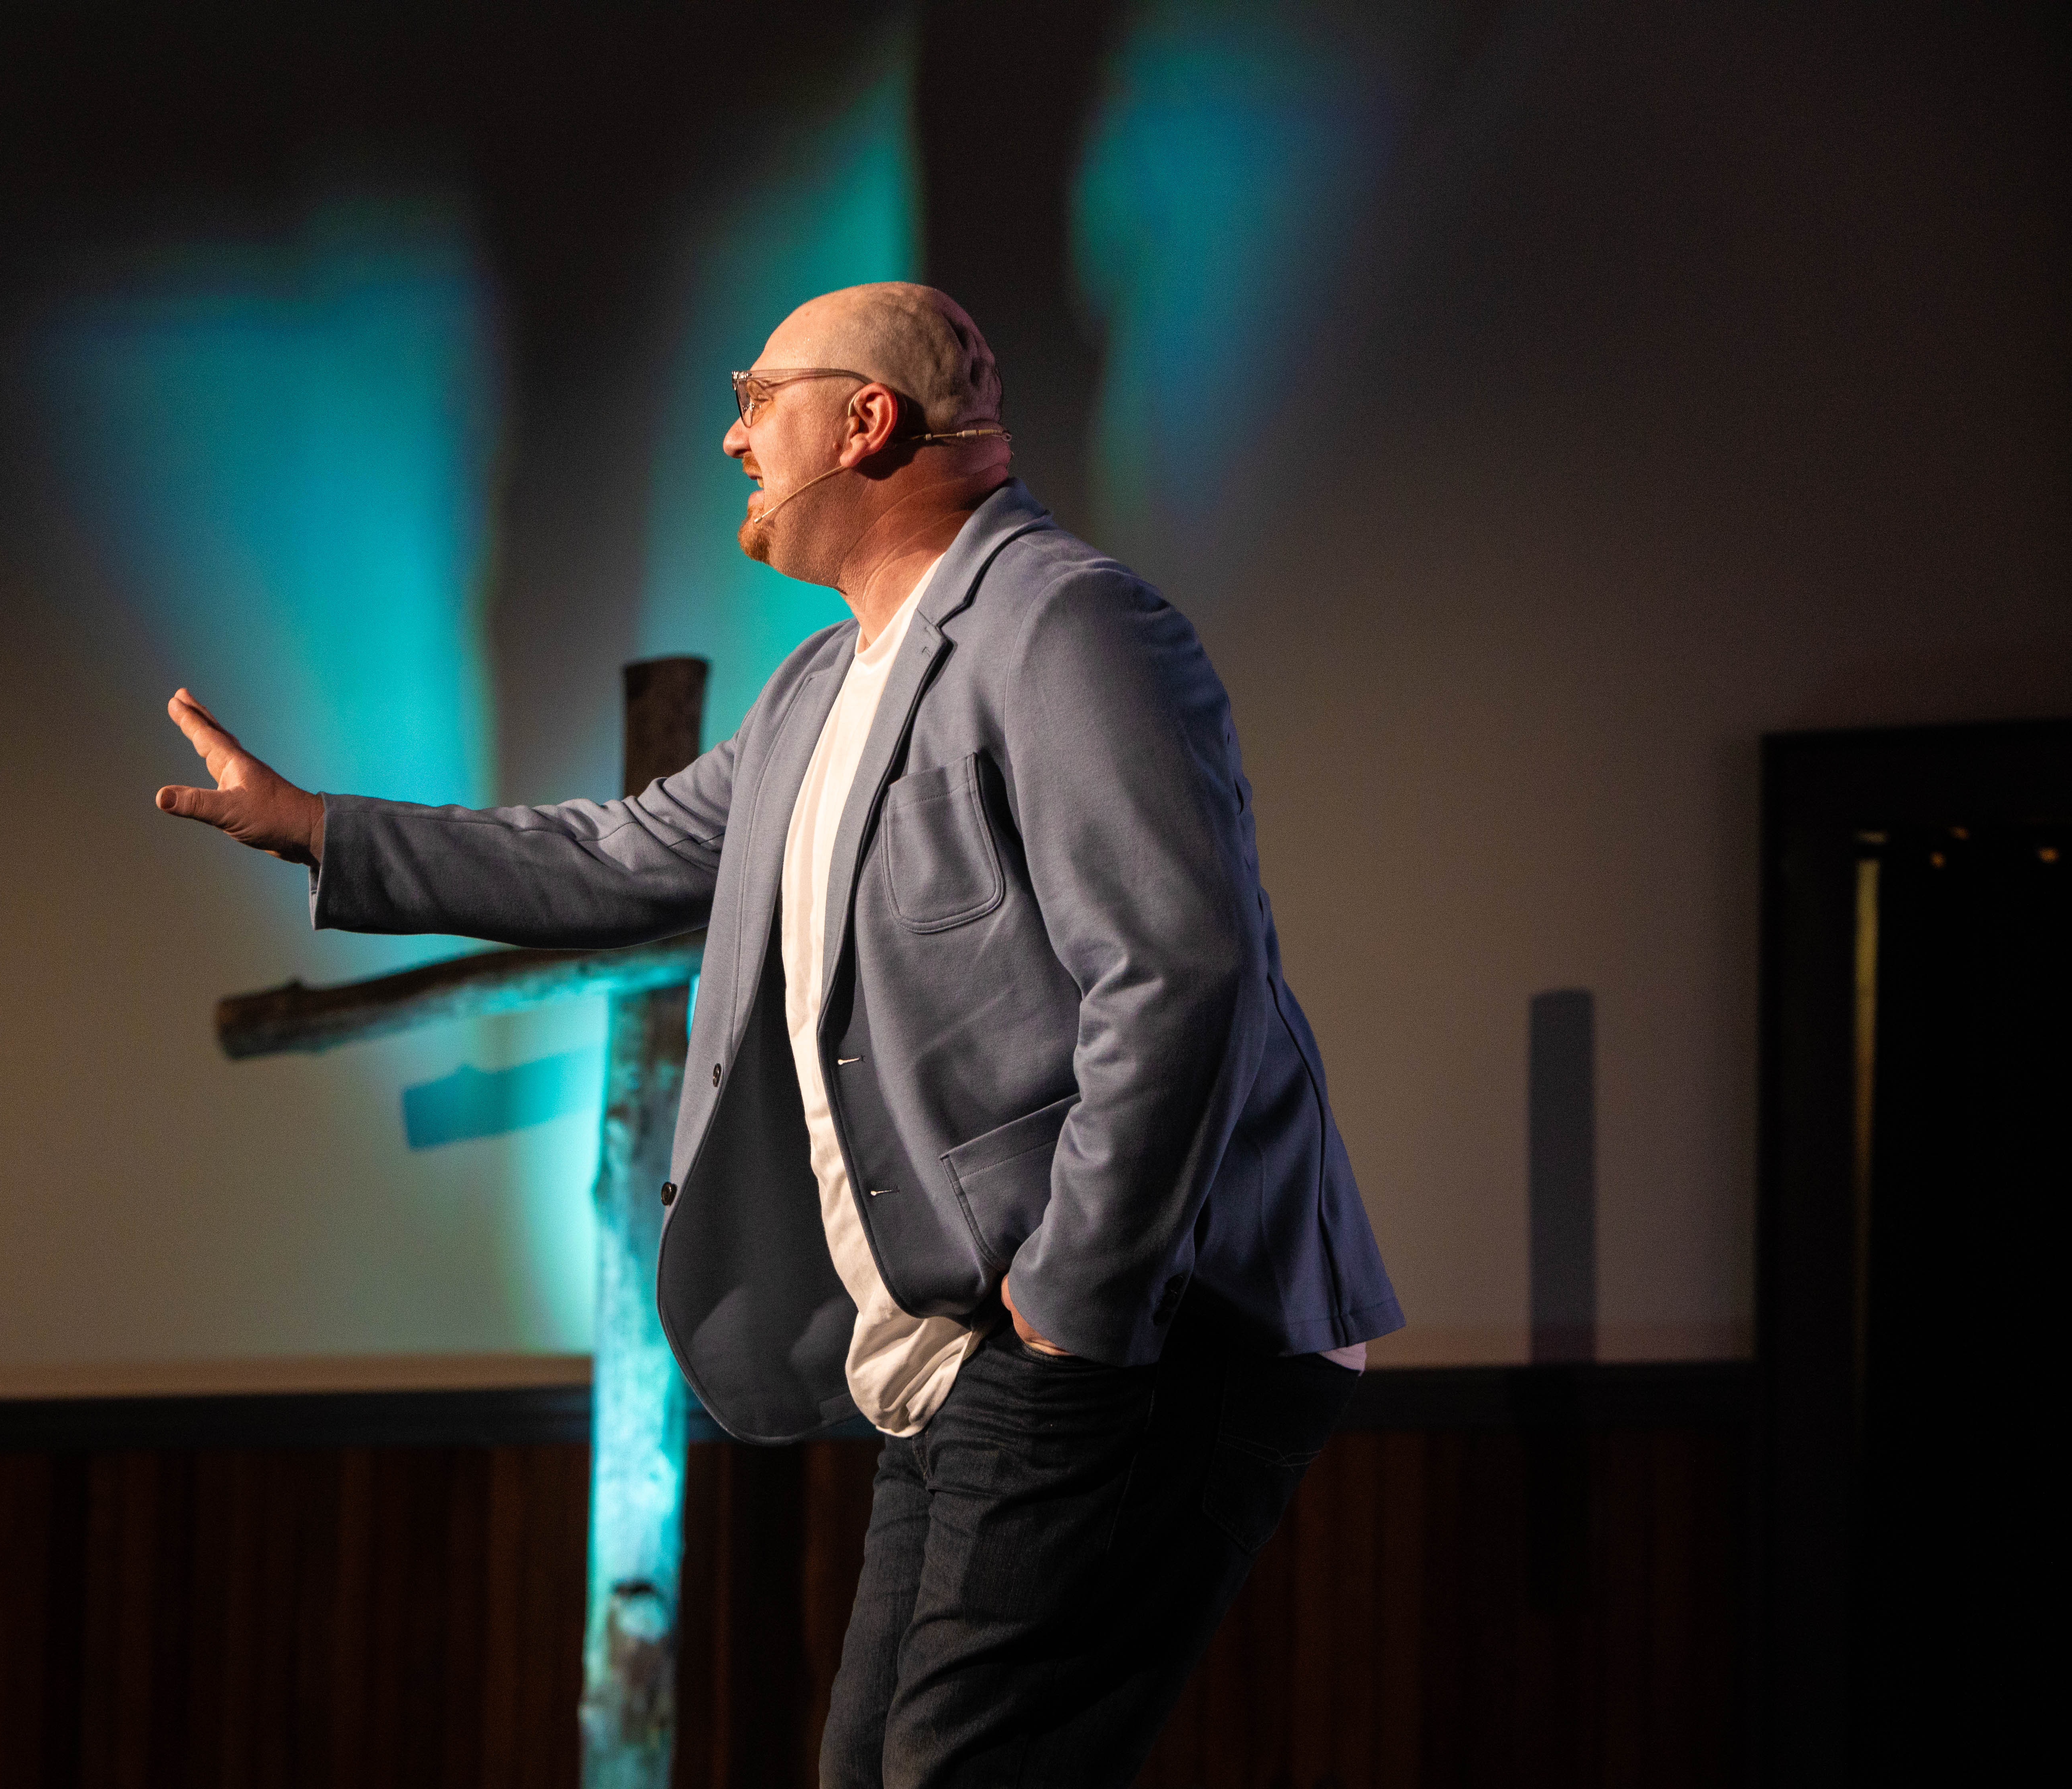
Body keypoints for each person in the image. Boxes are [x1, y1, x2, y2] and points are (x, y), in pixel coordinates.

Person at [154, 282, 1401, 1787]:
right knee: (872, 1769)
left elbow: (1179, 975)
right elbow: (613, 858)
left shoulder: (1065, 624)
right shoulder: (819, 686)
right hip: (962, 1360)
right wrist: (320, 831)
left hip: (1128, 1345)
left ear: (867, 420)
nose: (734, 436)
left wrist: (1071, 1311)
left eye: (759, 398)